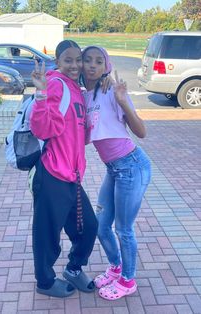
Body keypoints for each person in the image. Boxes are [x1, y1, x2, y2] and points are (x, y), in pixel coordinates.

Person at [29, 40, 98, 298]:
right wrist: (41, 94)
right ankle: (44, 282)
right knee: (47, 234)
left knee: (88, 226)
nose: (75, 65)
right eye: (68, 60)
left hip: (72, 176)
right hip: (52, 174)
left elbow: (81, 135)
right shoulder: (56, 84)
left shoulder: (76, 90)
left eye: (78, 60)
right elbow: (43, 129)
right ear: (57, 62)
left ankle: (73, 268)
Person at [82, 46, 151, 300]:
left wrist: (124, 101)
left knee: (124, 229)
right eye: (87, 60)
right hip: (114, 169)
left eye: (98, 61)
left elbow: (141, 131)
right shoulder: (86, 97)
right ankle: (116, 266)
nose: (92, 65)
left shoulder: (113, 91)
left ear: (106, 66)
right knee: (101, 226)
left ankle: (128, 280)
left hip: (132, 165)